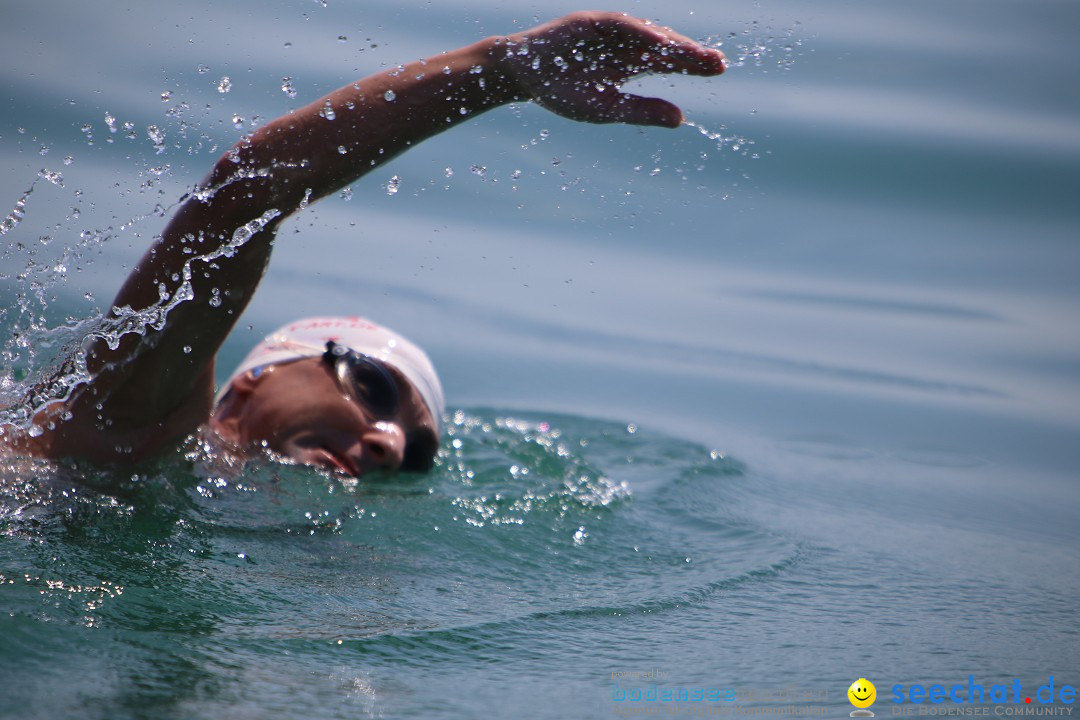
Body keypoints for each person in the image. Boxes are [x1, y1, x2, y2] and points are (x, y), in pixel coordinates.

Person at [1, 12, 726, 477]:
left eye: (418, 458)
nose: (388, 445)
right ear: (250, 383)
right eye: (372, 388)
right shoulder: (130, 424)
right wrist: (496, 73)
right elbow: (245, 196)